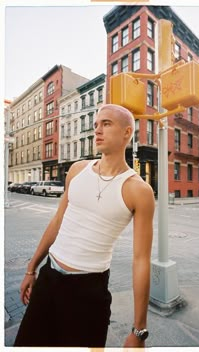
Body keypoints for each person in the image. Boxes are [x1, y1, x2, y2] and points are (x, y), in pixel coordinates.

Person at [14, 103, 155, 347]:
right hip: (50, 277)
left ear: (127, 132)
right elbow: (58, 220)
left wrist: (139, 330)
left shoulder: (139, 190)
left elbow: (141, 259)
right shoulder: (77, 170)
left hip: (89, 290)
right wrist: (31, 268)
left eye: (106, 124)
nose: (97, 131)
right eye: (96, 125)